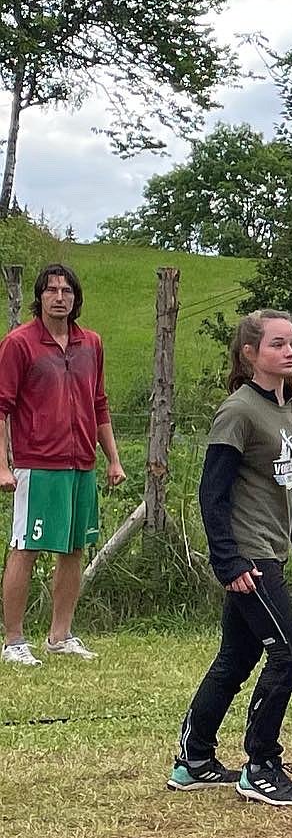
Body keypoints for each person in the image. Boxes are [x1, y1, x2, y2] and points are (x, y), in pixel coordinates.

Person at [169, 310, 292, 806]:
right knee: (289, 655)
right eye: (278, 344)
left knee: (237, 657)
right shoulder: (238, 411)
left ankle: (194, 760)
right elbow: (211, 494)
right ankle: (260, 766)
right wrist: (228, 561)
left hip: (274, 549)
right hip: (249, 556)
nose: (289, 351)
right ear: (250, 353)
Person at [0, 263, 126, 667]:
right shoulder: (18, 344)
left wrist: (113, 459)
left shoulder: (91, 344)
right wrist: (3, 466)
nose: (59, 297)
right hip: (37, 465)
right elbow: (2, 407)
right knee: (26, 547)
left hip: (81, 463)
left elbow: (99, 403)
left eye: (67, 291)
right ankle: (14, 641)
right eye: (51, 290)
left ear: (76, 298)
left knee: (74, 548)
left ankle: (60, 635)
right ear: (39, 297)